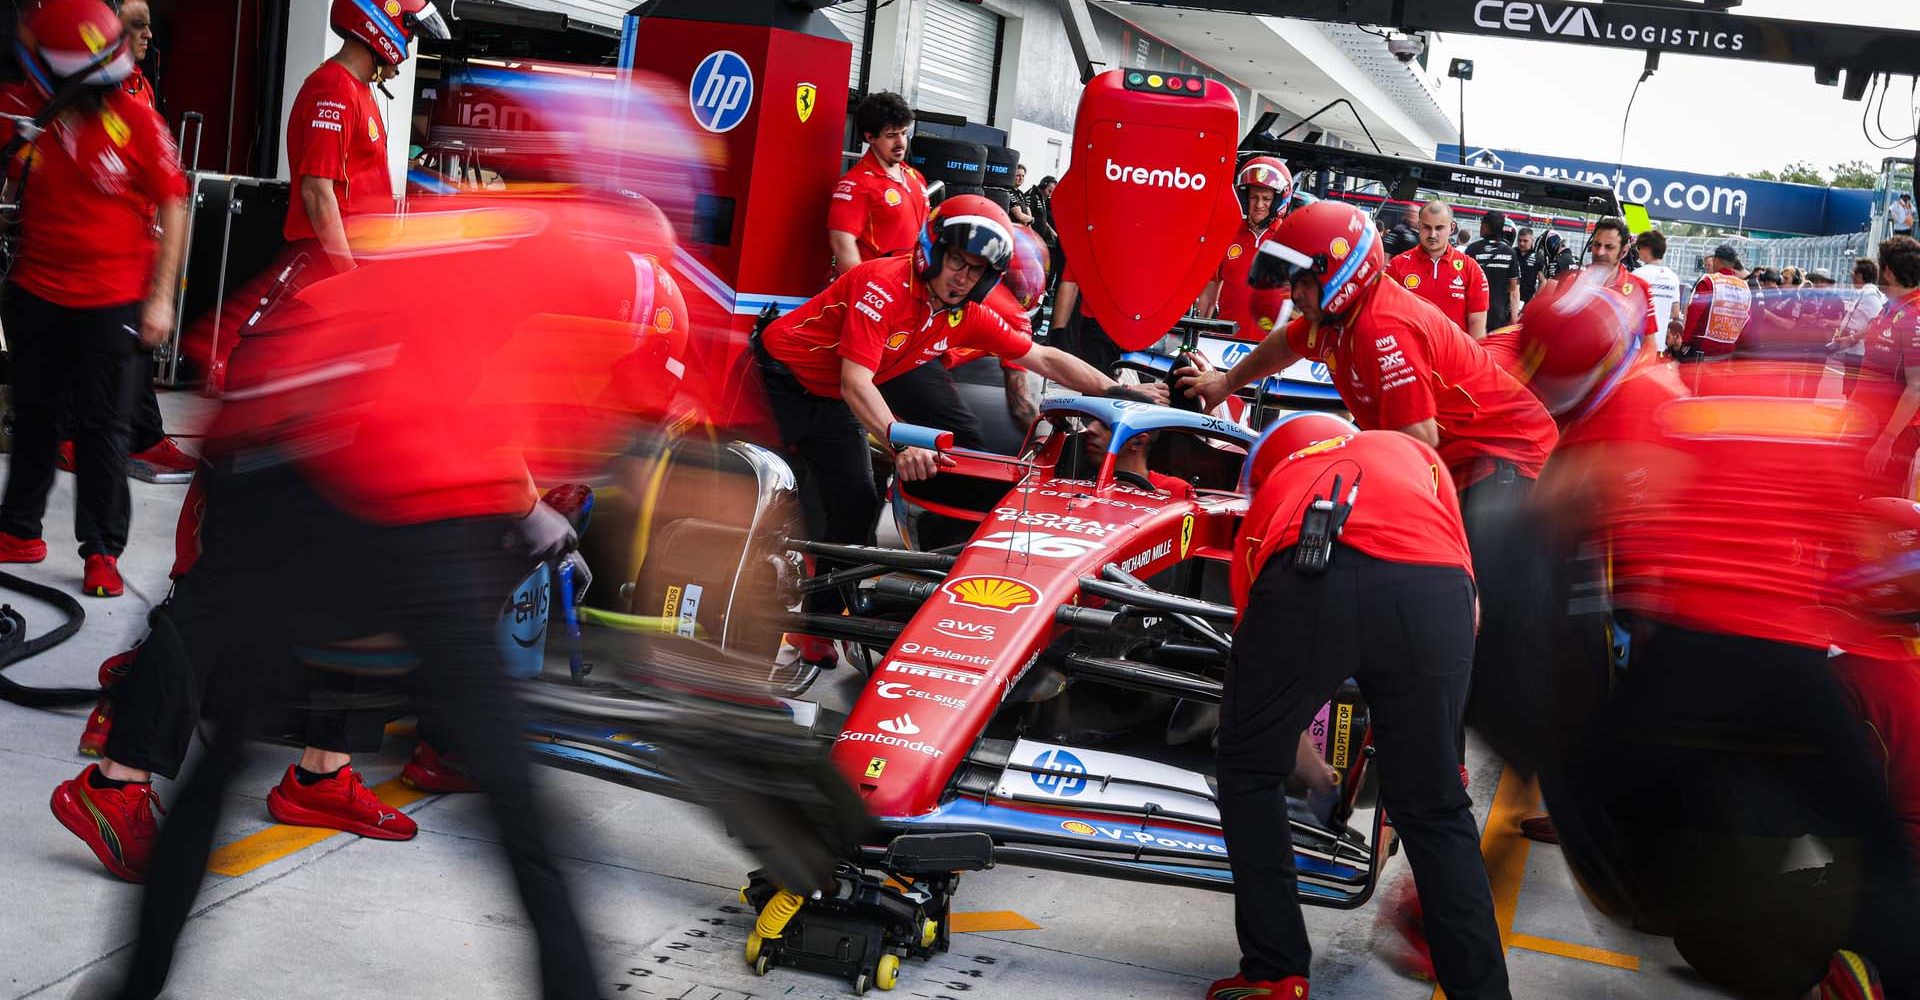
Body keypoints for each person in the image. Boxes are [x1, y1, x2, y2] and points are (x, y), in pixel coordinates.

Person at [48, 0, 457, 881]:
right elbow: (316, 199)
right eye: (411, 29)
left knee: (356, 565)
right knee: (227, 579)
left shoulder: (363, 97)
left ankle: (322, 770)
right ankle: (115, 779)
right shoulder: (327, 88)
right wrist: (371, 308)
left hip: (333, 353)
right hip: (300, 352)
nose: (412, 46)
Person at [1508, 282, 1920, 1000]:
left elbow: (1556, 516)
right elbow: (1861, 561)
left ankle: (1440, 904)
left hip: (1684, 658)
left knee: (1569, 764)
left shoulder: (1664, 397)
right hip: (1789, 664)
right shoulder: (1842, 421)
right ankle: (1885, 971)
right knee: (1878, 842)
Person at [1208, 411, 1510, 1000]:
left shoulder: (1278, 487)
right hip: (1438, 592)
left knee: (1247, 769)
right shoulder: (1409, 452)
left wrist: (1311, 769)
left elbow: (1260, 689)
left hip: (1312, 571)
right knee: (1436, 808)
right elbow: (1466, 605)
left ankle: (1275, 971)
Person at [756, 196, 1143, 611]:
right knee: (757, 494)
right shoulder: (884, 284)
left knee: (858, 501)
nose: (962, 277)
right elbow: (857, 382)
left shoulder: (968, 314)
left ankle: (818, 622)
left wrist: (1121, 397)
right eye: (957, 260)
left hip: (829, 401)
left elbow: (1043, 357)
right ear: (933, 250)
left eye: (975, 269)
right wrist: (902, 443)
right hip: (769, 385)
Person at [0, 0, 189, 598]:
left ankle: (102, 552)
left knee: (102, 431)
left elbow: (174, 206)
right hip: (35, 294)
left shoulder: (137, 121)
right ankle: (19, 530)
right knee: (34, 418)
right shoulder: (27, 114)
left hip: (111, 303)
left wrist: (161, 299)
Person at [52, 0, 195, 478]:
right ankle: (115, 437)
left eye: (150, 25)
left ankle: (134, 435)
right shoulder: (87, 91)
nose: (149, 34)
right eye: (138, 25)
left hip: (138, 237)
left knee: (129, 346)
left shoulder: (142, 85)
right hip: (95, 243)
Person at [827, 91, 927, 276]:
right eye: (891, 135)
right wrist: (867, 292)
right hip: (879, 291)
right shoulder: (856, 184)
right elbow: (842, 245)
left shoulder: (915, 177)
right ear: (870, 137)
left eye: (903, 133)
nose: (900, 142)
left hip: (914, 287)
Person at [1195, 156, 1293, 338]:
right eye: (1253, 197)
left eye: (1267, 198)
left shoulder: (1292, 239)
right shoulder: (1226, 235)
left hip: (1271, 350)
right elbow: (1207, 298)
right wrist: (1197, 339)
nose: (1259, 205)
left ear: (1278, 200)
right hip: (1223, 345)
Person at [1861, 236, 1920, 500]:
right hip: (1871, 419)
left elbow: (1917, 386)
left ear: (1887, 271)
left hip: (1895, 431)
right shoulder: (1892, 305)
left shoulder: (1915, 313)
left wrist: (1886, 441)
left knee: (1881, 501)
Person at [1386, 200, 1491, 338]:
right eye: (1427, 227)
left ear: (1452, 228)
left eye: (1439, 228)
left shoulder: (1471, 268)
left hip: (1455, 356)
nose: (1432, 235)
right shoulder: (1397, 265)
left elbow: (1477, 324)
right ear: (1419, 226)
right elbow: (1385, 315)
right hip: (1409, 355)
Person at [1581, 217, 1659, 344]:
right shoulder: (1574, 280)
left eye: (1609, 247)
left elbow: (1649, 346)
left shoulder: (1640, 288)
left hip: (1619, 363)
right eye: (1597, 244)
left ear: (1623, 251)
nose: (1600, 252)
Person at [1669, 243, 1752, 361]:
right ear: (1733, 264)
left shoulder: (1709, 281)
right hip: (1728, 348)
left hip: (1703, 346)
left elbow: (1694, 312)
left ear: (1716, 260)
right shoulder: (1744, 286)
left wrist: (1686, 340)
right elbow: (1747, 320)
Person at [1833, 257, 1888, 397]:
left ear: (1860, 276)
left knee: (1853, 392)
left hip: (1859, 353)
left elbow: (1878, 322)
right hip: (1854, 351)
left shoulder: (1870, 295)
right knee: (1850, 390)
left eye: (1853, 273)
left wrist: (1852, 337)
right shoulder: (1864, 293)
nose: (1851, 275)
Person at [1465, 210, 1519, 331]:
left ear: (1485, 226)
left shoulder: (1472, 249)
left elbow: (1463, 283)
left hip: (1474, 313)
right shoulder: (1510, 252)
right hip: (1498, 315)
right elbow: (1513, 288)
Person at [1632, 230, 1684, 352]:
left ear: (1647, 249)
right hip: (1659, 344)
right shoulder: (1673, 277)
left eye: (1639, 247)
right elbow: (1676, 313)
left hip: (1637, 344)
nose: (1637, 251)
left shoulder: (1637, 274)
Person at [1516, 227, 1546, 305]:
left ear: (1532, 241)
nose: (1521, 243)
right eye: (1519, 240)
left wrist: (1535, 297)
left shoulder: (1537, 257)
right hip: (1510, 296)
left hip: (1527, 299)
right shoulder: (1512, 253)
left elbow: (1543, 281)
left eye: (1525, 241)